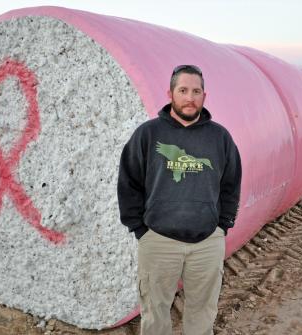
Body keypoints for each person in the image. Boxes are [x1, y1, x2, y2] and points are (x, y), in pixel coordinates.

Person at [117, 64, 242, 335]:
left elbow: (231, 185)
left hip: (207, 242)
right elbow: (129, 182)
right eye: (183, 90)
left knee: (202, 314)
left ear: (204, 96)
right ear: (170, 93)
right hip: (159, 241)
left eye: (196, 91)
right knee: (155, 314)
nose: (190, 97)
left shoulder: (220, 138)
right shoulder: (148, 134)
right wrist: (141, 230)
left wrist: (222, 226)